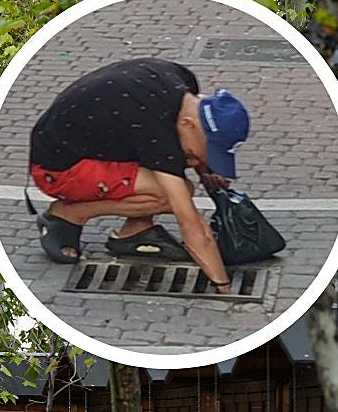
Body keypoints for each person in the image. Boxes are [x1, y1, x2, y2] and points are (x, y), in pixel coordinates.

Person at [28, 57, 250, 294]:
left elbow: (174, 143)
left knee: (177, 160)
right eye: (206, 152)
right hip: (59, 168)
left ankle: (134, 232)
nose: (201, 161)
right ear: (188, 124)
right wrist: (223, 286)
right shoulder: (155, 129)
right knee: (172, 193)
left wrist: (204, 170)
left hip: (95, 140)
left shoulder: (183, 85)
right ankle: (67, 215)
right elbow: (190, 223)